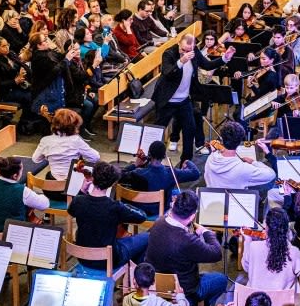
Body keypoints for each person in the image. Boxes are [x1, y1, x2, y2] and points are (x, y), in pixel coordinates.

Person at [145, 190, 225, 306]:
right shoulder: (187, 241)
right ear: (193, 216)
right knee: (221, 280)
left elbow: (174, 243)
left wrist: (193, 236)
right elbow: (216, 254)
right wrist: (206, 232)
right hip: (184, 288)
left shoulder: (159, 222)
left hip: (156, 282)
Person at [155, 33, 234, 163]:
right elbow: (167, 73)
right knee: (158, 129)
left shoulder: (194, 50)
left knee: (190, 129)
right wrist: (182, 61)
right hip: (167, 100)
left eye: (190, 50)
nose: (187, 52)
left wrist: (225, 58)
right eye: (184, 50)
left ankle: (186, 161)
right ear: (179, 43)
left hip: (184, 100)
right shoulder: (169, 53)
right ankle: (153, 160)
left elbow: (207, 65)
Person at [69, 161, 150, 269]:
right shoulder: (115, 206)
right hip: (108, 260)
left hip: (83, 258)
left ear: (92, 178)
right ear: (112, 184)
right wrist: (125, 204)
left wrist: (82, 190)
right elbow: (142, 217)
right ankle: (136, 277)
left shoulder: (79, 200)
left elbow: (71, 211)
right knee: (148, 236)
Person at [0, 155, 50, 234]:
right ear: (15, 176)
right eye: (21, 170)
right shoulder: (23, 191)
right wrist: (38, 195)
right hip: (13, 237)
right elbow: (45, 205)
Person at [31, 108, 100, 180]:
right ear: (73, 126)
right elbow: (95, 157)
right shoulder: (76, 140)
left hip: (51, 186)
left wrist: (50, 154)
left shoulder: (45, 141)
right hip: (72, 184)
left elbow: (36, 159)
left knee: (49, 175)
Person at [205, 120, 275, 189]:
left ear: (222, 139)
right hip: (235, 199)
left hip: (212, 198)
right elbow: (271, 174)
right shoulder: (244, 169)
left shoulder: (210, 159)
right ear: (239, 142)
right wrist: (253, 162)